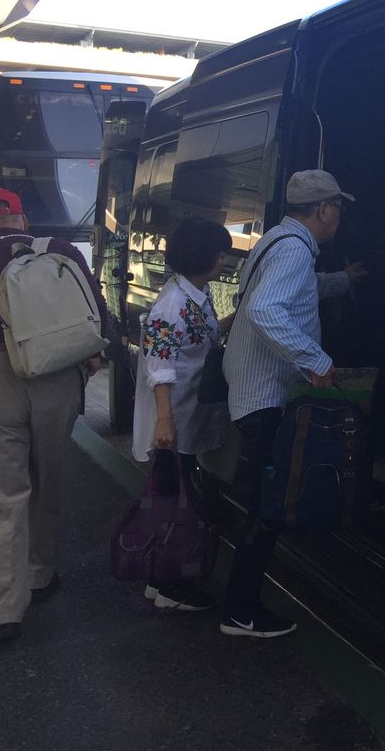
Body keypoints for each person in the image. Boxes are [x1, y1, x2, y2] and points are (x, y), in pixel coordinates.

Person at [0, 188, 108, 645]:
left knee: (0, 493)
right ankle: (40, 574)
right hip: (57, 377)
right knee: (46, 478)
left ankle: (3, 612)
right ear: (23, 220)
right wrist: (89, 361)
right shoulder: (63, 252)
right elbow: (98, 312)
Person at [220, 170, 366, 638]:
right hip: (265, 396)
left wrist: (342, 280)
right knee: (267, 508)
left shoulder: (276, 242)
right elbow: (265, 308)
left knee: (265, 502)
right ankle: (240, 610)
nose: (338, 219)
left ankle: (240, 604)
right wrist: (315, 360)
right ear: (323, 210)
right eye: (337, 209)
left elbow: (298, 289)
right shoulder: (293, 250)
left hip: (250, 387)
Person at [130, 217, 232, 612]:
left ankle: (160, 579)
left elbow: (201, 338)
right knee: (174, 505)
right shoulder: (171, 303)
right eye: (219, 254)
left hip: (189, 416)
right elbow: (160, 364)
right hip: (175, 419)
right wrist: (165, 421)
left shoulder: (196, 295)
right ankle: (171, 586)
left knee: (173, 499)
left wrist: (237, 318)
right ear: (201, 256)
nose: (223, 260)